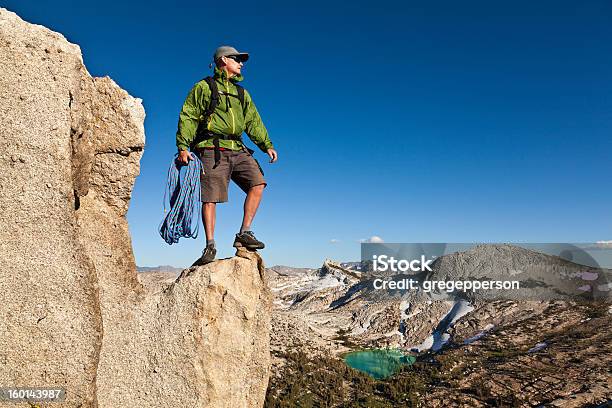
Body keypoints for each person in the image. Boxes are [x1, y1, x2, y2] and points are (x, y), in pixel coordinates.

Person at [175, 45, 277, 265]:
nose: (241, 63)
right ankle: (210, 245)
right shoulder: (204, 87)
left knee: (258, 183)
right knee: (210, 197)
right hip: (212, 148)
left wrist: (265, 144)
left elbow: (253, 121)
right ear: (223, 60)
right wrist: (183, 147)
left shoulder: (242, 93)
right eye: (237, 59)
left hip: (237, 147)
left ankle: (244, 234)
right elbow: (189, 115)